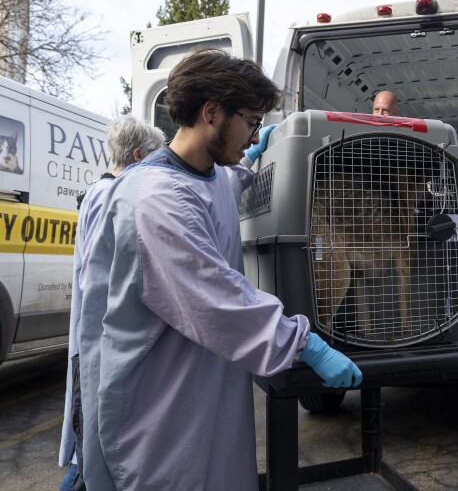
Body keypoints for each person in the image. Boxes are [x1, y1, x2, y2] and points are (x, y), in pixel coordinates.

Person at [76, 47, 363, 491]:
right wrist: (303, 343)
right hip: (159, 400)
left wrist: (249, 162)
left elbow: (222, 186)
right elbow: (218, 298)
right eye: (249, 121)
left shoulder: (206, 174)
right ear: (212, 112)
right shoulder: (155, 199)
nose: (253, 134)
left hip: (203, 388)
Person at [58, 116, 166, 491]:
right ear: (137, 156)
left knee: (88, 450)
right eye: (155, 159)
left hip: (92, 345)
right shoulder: (112, 195)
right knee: (91, 456)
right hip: (98, 347)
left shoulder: (99, 192)